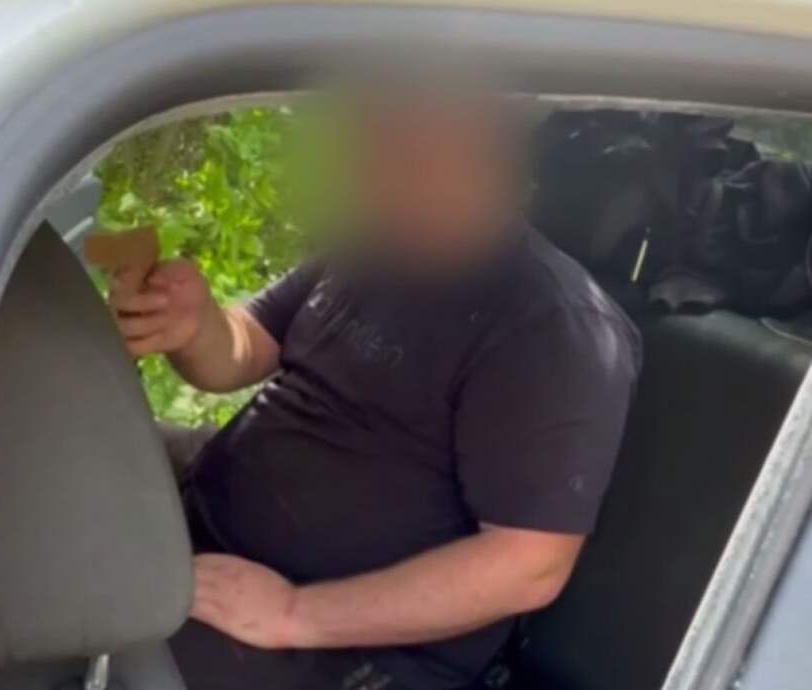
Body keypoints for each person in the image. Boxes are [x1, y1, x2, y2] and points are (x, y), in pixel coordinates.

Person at [107, 83, 641, 690]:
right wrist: (193, 324)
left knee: (91, 636)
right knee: (62, 472)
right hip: (211, 529)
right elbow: (244, 347)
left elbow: (528, 566)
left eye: (405, 143)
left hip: (342, 647)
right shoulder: (379, 247)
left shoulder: (554, 329)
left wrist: (295, 614)